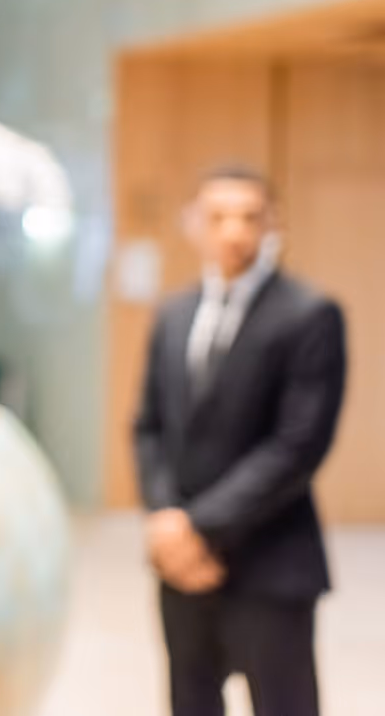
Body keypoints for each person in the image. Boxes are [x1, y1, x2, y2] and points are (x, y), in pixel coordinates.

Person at [134, 166, 346, 716]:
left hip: (270, 560)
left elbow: (297, 446)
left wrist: (198, 527)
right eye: (218, 217)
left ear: (274, 224)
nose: (234, 231)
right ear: (193, 225)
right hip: (182, 567)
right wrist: (165, 519)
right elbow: (149, 426)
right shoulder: (173, 314)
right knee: (190, 700)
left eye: (250, 217)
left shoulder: (309, 315)